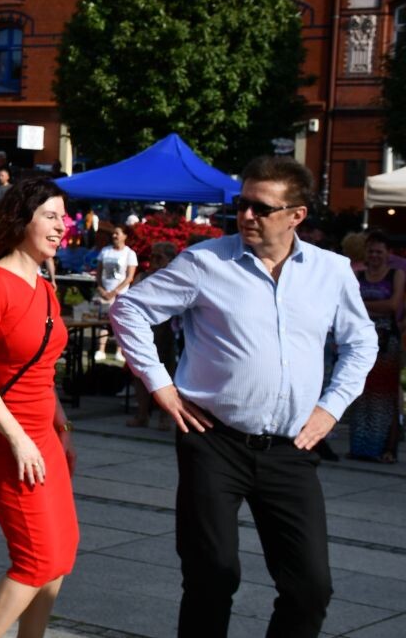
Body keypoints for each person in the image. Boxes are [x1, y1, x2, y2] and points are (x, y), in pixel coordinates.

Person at [111, 156, 378, 638]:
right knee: (212, 575)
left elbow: (362, 343)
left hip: (292, 448)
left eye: (261, 207)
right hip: (213, 440)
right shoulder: (205, 262)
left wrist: (330, 408)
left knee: (310, 587)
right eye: (242, 204)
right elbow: (129, 310)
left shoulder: (330, 271)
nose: (247, 215)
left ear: (297, 214)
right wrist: (163, 387)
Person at [0, 177, 77, 638]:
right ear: (21, 219)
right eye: (50, 215)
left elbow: (42, 365)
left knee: (61, 553)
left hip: (43, 434)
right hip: (5, 437)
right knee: (35, 558)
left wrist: (62, 425)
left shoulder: (45, 284)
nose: (60, 226)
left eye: (62, 217)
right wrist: (18, 437)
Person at [349, 229, 403, 462]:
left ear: (388, 254)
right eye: (371, 251)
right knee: (360, 393)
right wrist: (370, 307)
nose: (374, 256)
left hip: (386, 340)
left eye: (379, 252)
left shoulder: (396, 274)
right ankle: (361, 447)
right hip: (359, 339)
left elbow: (392, 305)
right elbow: (348, 307)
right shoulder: (357, 275)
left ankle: (385, 448)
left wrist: (363, 306)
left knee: (384, 395)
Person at [126, 241, 178, 430]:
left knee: (168, 374)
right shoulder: (143, 276)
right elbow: (130, 302)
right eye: (152, 257)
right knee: (140, 374)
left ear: (170, 260)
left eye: (159, 257)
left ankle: (165, 417)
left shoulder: (174, 278)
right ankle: (142, 414)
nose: (153, 261)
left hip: (167, 332)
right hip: (144, 331)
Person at [95, 226, 137, 307]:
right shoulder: (105, 250)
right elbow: (99, 272)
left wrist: (114, 292)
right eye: (113, 233)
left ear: (125, 236)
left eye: (117, 233)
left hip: (120, 295)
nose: (114, 236)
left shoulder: (130, 253)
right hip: (103, 293)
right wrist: (101, 289)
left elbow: (129, 277)